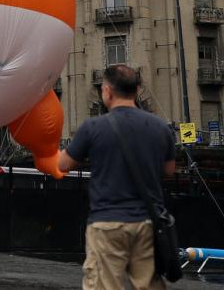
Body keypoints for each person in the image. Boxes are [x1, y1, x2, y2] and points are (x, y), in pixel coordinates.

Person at [58, 65, 175, 290]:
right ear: (137, 90)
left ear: (107, 91)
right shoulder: (160, 127)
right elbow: (169, 170)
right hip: (148, 223)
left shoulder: (93, 127)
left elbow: (63, 164)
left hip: (107, 222)